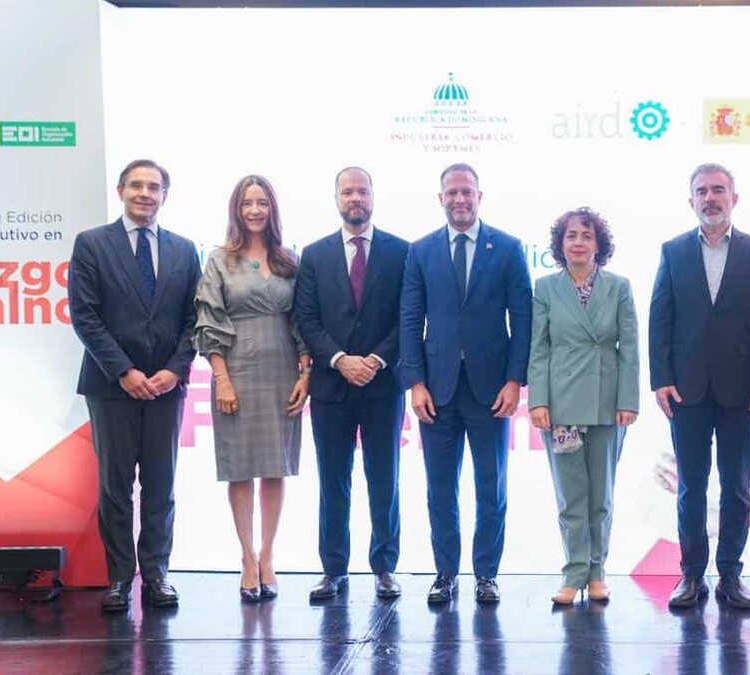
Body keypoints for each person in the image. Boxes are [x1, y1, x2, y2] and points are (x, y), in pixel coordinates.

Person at [67, 159, 201, 612]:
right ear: (121, 189)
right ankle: (120, 578)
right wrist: (124, 370)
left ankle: (158, 574)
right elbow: (84, 315)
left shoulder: (185, 251)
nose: (145, 193)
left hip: (166, 386)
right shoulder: (92, 245)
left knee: (161, 485)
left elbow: (194, 320)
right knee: (115, 485)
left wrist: (175, 369)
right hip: (111, 387)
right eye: (137, 185)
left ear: (166, 195)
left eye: (155, 187)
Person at [399, 163, 533, 604]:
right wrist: (414, 382)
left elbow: (524, 320)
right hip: (436, 390)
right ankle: (445, 573)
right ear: (440, 198)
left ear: (480, 196)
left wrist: (516, 381)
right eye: (452, 192)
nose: (460, 199)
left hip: (491, 389)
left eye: (467, 192)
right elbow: (409, 319)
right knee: (440, 487)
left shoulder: (509, 248)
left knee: (491, 486)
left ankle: (486, 575)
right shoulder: (420, 251)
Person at [648, 163, 750, 610]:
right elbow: (660, 317)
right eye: (701, 191)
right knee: (691, 488)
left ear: (734, 198)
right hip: (686, 392)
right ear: (691, 201)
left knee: (737, 488)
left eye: (719, 189)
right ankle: (690, 576)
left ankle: (731, 576)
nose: (710, 198)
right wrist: (661, 379)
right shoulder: (673, 250)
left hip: (742, 391)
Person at [294, 167, 410, 602]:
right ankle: (333, 569)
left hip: (383, 385)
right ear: (336, 198)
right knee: (333, 480)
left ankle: (384, 567)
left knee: (384, 478)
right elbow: (306, 319)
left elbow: (408, 318)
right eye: (348, 191)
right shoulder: (314, 254)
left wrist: (376, 359)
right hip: (331, 386)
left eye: (362, 190)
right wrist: (341, 360)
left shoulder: (401, 252)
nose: (355, 198)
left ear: (373, 196)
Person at [193, 175, 310, 602]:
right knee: (240, 468)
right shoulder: (219, 260)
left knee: (275, 467)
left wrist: (305, 374)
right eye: (247, 203)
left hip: (283, 370)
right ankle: (245, 556)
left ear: (272, 208)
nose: (255, 210)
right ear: (236, 210)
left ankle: (267, 555)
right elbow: (208, 320)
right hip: (235, 370)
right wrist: (220, 376)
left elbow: (302, 321)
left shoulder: (288, 260)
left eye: (262, 202)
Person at [527, 207, 639, 605]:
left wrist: (628, 399)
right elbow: (538, 348)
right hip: (561, 406)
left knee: (601, 495)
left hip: (608, 404)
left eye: (586, 235)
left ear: (599, 244)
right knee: (571, 495)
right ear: (560, 244)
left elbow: (629, 348)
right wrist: (538, 400)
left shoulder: (619, 287)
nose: (578, 242)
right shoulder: (545, 288)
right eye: (571, 235)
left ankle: (598, 573)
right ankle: (573, 573)